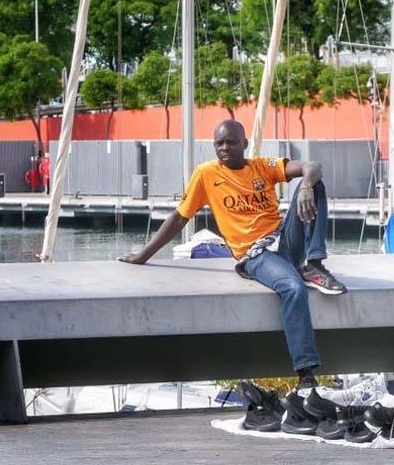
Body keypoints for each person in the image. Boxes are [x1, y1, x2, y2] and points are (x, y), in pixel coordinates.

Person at [119, 120, 346, 391]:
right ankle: (306, 373)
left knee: (316, 184)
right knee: (293, 288)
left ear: (244, 144)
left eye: (231, 142)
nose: (224, 148)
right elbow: (180, 218)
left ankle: (314, 263)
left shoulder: (262, 166)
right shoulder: (206, 174)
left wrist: (306, 186)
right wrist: (144, 255)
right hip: (255, 254)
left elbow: (313, 167)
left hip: (284, 241)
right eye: (219, 143)